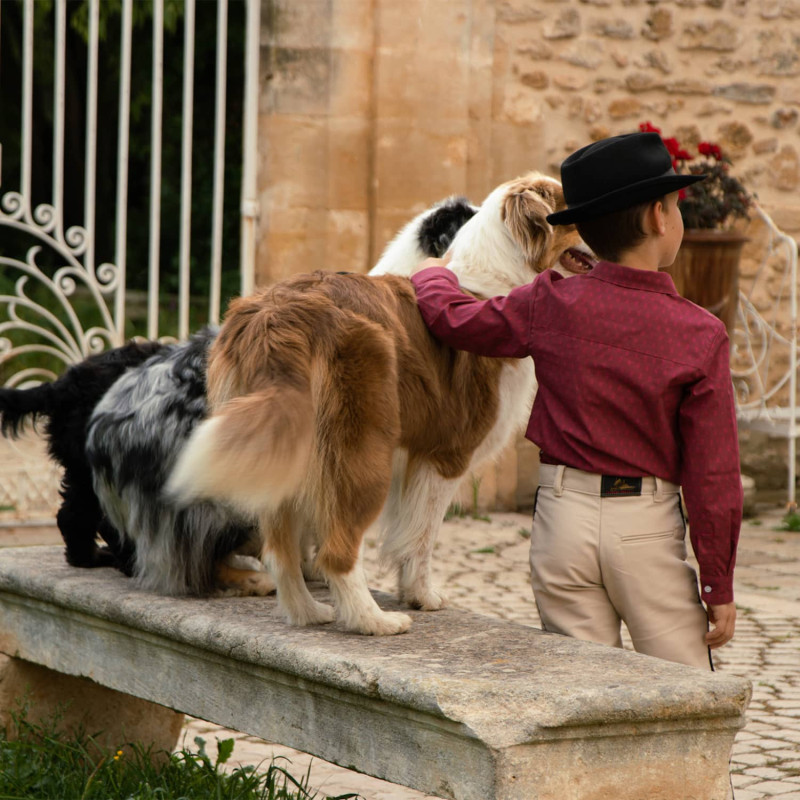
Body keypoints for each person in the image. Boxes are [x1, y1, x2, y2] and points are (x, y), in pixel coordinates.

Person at [410, 131, 742, 670]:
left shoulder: (549, 301)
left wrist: (432, 277)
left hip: (561, 523)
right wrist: (718, 582)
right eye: (678, 209)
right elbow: (714, 473)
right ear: (660, 218)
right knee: (687, 694)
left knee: (585, 692)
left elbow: (458, 321)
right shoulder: (700, 334)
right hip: (647, 528)